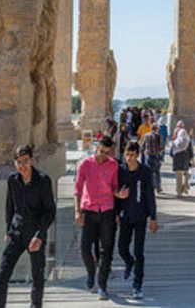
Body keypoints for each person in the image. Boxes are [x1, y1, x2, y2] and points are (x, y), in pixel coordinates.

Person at [0, 145, 55, 308]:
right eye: (18, 162)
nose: (22, 165)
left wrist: (40, 235)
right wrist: (7, 230)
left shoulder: (43, 180)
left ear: (31, 160)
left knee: (37, 277)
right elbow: (9, 207)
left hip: (36, 234)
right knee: (2, 275)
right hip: (16, 232)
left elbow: (50, 211)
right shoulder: (12, 180)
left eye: (25, 161)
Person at [75, 136, 129, 300]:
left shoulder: (113, 165)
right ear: (97, 147)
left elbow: (113, 187)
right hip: (89, 210)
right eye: (102, 151)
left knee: (106, 250)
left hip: (107, 210)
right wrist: (77, 212)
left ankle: (102, 285)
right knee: (84, 248)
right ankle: (91, 272)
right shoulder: (85, 164)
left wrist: (118, 194)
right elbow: (77, 189)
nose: (104, 155)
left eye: (107, 153)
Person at [115, 142, 158, 299]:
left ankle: (137, 285)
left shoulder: (145, 171)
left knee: (139, 251)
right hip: (125, 216)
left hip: (140, 216)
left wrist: (153, 217)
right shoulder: (121, 170)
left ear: (137, 155)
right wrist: (116, 213)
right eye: (127, 154)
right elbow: (116, 193)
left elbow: (149, 196)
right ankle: (129, 263)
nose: (129, 158)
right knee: (121, 248)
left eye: (132, 155)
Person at [170, 121, 193, 197]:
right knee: (186, 175)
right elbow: (190, 150)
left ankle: (179, 192)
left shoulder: (175, 138)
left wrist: (172, 155)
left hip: (177, 159)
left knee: (179, 176)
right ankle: (185, 188)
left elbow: (172, 150)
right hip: (185, 159)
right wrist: (192, 159)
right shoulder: (187, 138)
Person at [141, 127, 164, 193]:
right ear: (156, 129)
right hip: (157, 156)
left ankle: (151, 187)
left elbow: (143, 146)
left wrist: (143, 153)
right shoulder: (158, 136)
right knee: (157, 172)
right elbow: (162, 147)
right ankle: (158, 187)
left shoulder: (146, 135)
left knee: (150, 172)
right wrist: (161, 157)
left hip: (149, 156)